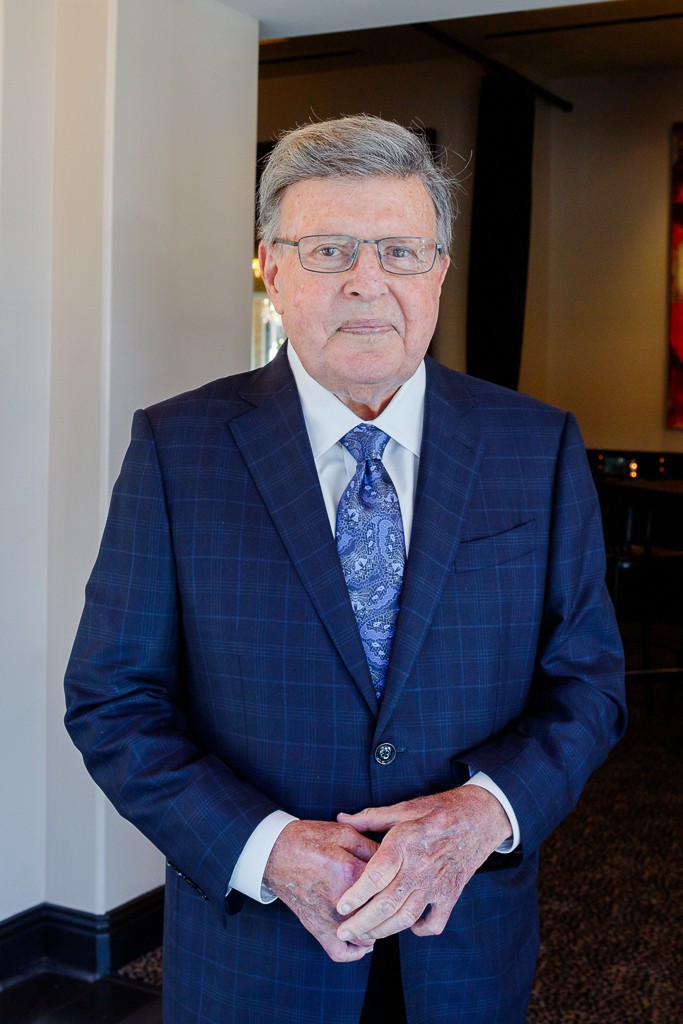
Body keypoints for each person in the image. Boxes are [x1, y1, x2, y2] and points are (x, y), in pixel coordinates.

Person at [64, 114, 626, 1024]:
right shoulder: (177, 448)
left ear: (439, 270)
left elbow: (588, 682)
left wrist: (484, 813)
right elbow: (112, 699)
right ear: (271, 267)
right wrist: (268, 848)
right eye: (328, 250)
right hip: (258, 957)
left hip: (466, 944)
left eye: (400, 251)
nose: (368, 281)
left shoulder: (537, 446)